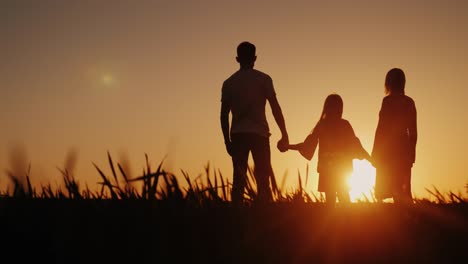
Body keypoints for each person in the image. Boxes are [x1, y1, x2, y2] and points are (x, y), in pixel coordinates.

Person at [220, 41, 289, 205]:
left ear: (237, 59)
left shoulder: (229, 83)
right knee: (263, 179)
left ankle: (236, 216)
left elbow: (223, 115)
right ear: (255, 58)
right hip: (260, 135)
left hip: (238, 136)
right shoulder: (264, 79)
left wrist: (227, 141)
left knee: (239, 180)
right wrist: (284, 134)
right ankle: (264, 216)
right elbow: (275, 108)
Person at [286, 94, 370, 205]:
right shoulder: (343, 125)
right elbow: (356, 145)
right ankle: (348, 221)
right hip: (342, 171)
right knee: (345, 200)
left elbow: (308, 145)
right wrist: (371, 159)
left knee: (330, 204)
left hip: (328, 170)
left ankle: (334, 222)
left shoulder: (323, 125)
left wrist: (288, 146)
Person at [371, 68, 417, 204]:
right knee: (402, 190)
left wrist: (376, 152)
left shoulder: (388, 102)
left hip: (388, 149)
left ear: (388, 83)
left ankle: (380, 222)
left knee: (383, 188)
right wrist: (411, 153)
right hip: (403, 149)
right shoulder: (409, 102)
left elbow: (381, 129)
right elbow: (413, 131)